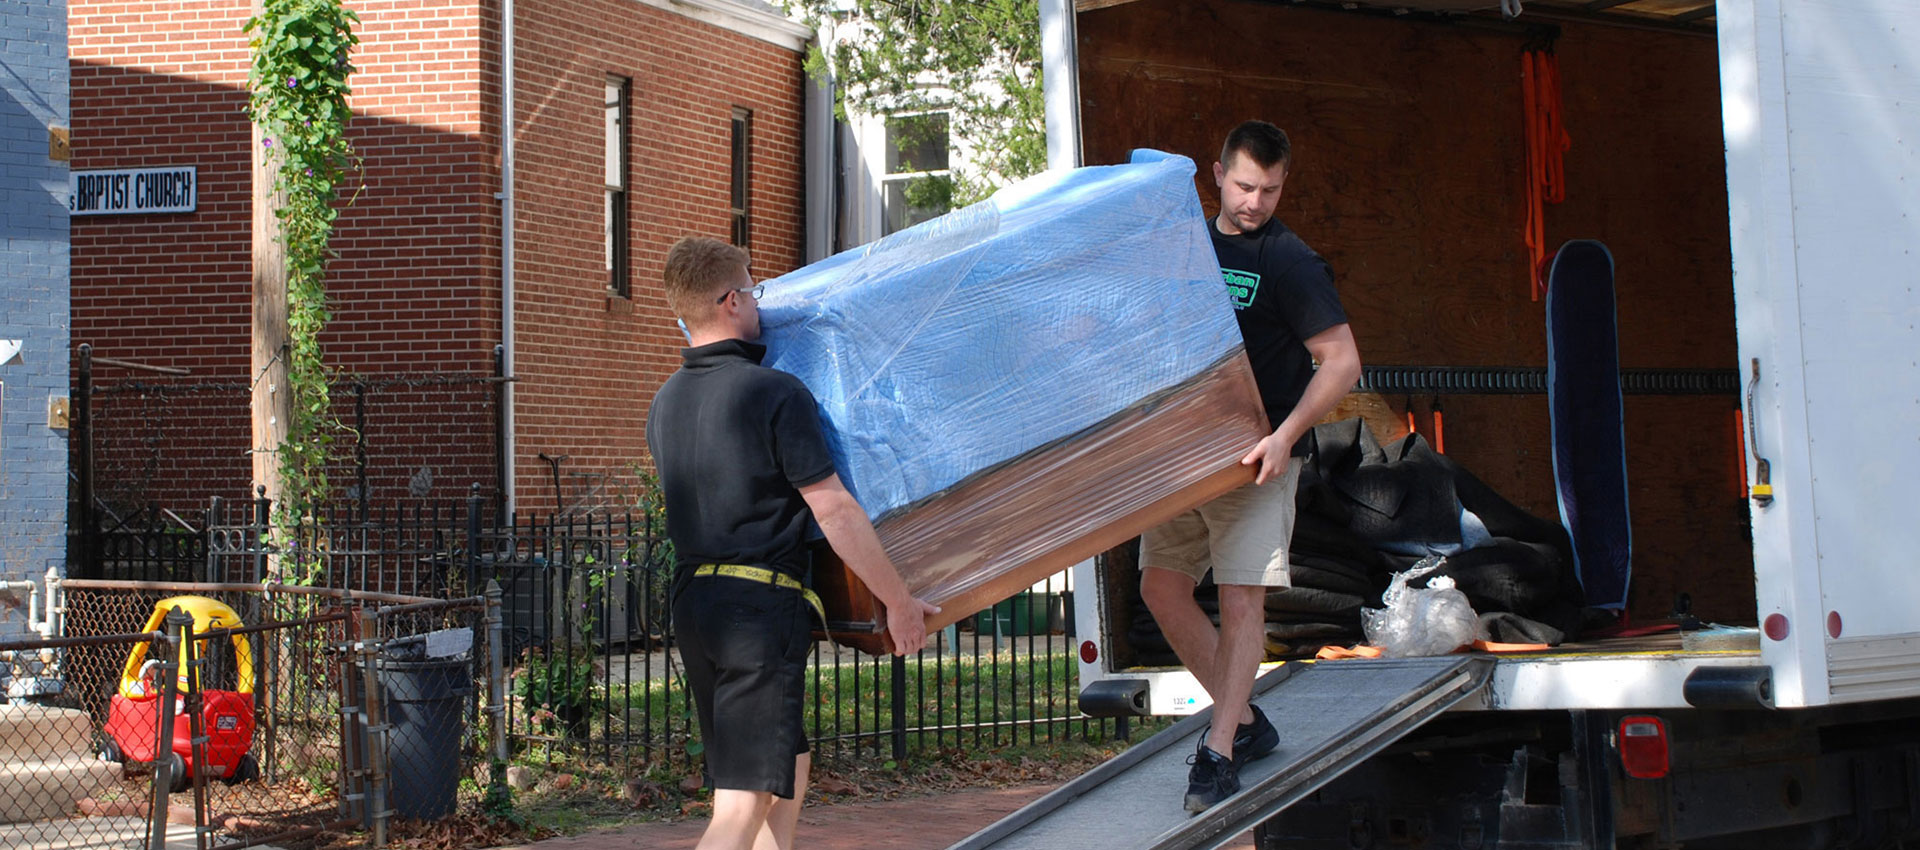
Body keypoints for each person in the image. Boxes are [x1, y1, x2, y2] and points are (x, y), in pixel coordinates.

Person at [645, 236, 940, 850]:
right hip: (758, 609)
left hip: (697, 607)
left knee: (786, 762)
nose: (758, 303)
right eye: (752, 290)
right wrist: (900, 600)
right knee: (741, 803)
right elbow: (832, 507)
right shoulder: (772, 393)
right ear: (729, 301)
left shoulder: (665, 402)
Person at [1140, 120, 1363, 813]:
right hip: (1187, 457)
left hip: (1258, 459)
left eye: (1268, 189)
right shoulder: (1184, 246)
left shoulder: (1289, 260)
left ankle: (1218, 754)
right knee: (1161, 590)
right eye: (1243, 185)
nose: (1253, 202)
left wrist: (1285, 434)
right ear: (1216, 173)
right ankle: (1244, 719)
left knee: (1242, 598)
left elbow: (1344, 361)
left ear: (1282, 184)